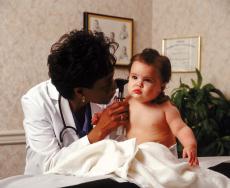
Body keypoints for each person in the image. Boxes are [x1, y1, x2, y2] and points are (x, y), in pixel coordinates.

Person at [21, 29, 133, 181]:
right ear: (80, 92)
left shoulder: (106, 97)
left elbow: (115, 149)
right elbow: (48, 166)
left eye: (112, 78)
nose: (113, 87)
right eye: (106, 84)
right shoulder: (37, 101)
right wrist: (98, 132)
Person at [126, 48, 199, 166]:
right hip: (135, 156)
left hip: (161, 159)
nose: (139, 83)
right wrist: (99, 116)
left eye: (147, 80)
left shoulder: (166, 108)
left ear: (162, 86)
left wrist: (190, 145)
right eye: (134, 77)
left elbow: (181, 129)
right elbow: (115, 115)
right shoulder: (129, 101)